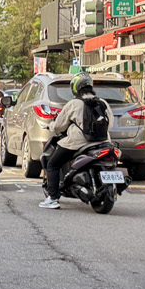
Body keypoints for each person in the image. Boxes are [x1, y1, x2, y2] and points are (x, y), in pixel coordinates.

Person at [41, 73, 110, 209]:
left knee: (52, 165)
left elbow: (59, 125)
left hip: (78, 143)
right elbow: (110, 123)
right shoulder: (103, 103)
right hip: (103, 142)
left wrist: (51, 126)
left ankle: (53, 198)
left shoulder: (74, 104)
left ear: (75, 88)